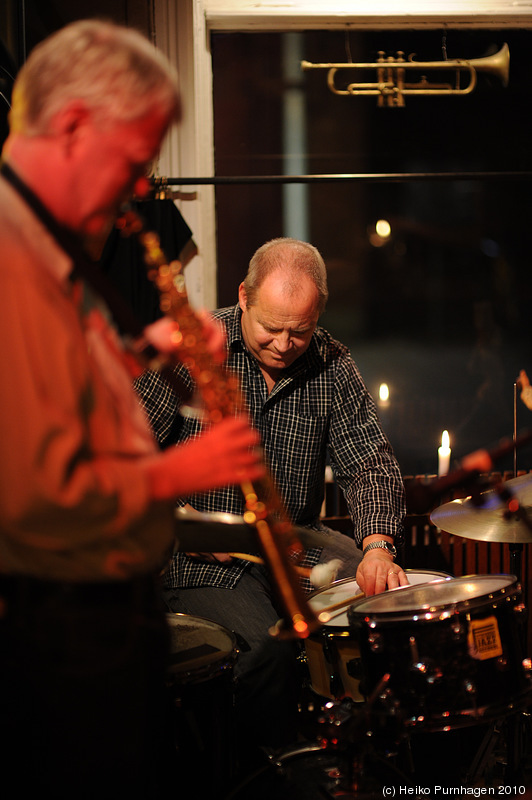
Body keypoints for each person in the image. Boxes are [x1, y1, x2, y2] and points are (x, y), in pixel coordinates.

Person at [0, 20, 264, 800]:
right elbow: (28, 497)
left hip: (84, 623)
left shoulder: (44, 250)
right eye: (135, 159)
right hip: (60, 632)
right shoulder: (15, 261)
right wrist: (184, 468)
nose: (139, 186)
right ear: (76, 126)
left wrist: (139, 353)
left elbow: (46, 398)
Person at [134, 237, 407, 768]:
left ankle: (371, 759)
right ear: (243, 297)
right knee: (266, 648)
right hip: (196, 557)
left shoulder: (331, 361)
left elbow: (368, 459)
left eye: (299, 331)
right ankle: (270, 772)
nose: (284, 343)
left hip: (296, 544)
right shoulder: (194, 347)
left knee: (391, 608)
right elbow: (126, 453)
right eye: (271, 327)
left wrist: (377, 546)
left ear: (318, 317)